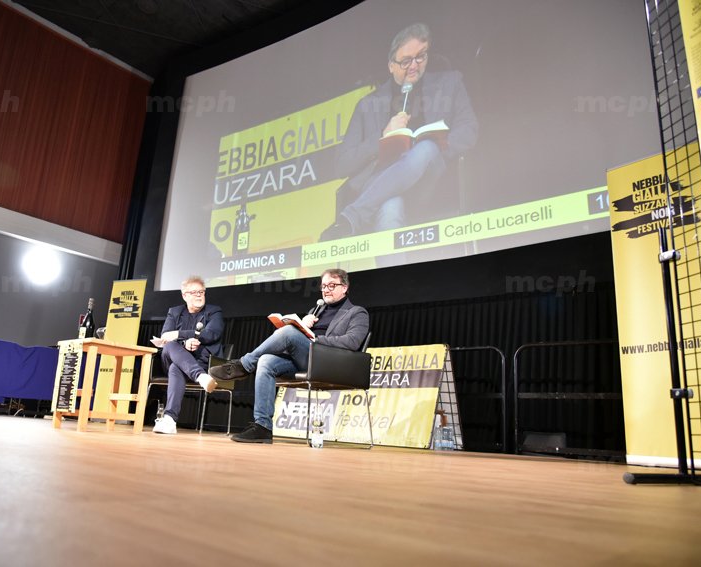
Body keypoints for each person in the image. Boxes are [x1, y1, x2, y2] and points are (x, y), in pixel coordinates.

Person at [322, 23, 478, 239]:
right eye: (406, 61)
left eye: (420, 57)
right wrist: (383, 135)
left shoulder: (450, 82)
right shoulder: (367, 104)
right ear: (391, 66)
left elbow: (469, 129)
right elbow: (342, 164)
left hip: (430, 181)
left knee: (425, 148)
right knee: (390, 209)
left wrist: (437, 145)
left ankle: (350, 218)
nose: (414, 65)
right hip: (381, 184)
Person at [209, 268, 369, 443]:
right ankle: (263, 427)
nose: (326, 290)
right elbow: (301, 340)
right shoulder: (316, 310)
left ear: (344, 287)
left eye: (331, 285)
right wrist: (304, 325)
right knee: (266, 361)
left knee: (288, 332)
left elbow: (352, 342)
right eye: (323, 286)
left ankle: (243, 365)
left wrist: (316, 339)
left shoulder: (357, 312)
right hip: (306, 360)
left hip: (330, 363)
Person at [151, 276, 224, 435]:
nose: (199, 295)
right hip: (179, 359)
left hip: (202, 361)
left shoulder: (214, 311)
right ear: (184, 295)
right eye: (194, 292)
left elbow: (212, 334)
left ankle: (170, 420)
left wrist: (179, 334)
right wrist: (185, 343)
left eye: (201, 292)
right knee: (170, 345)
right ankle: (200, 376)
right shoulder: (175, 312)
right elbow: (166, 337)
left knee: (175, 368)